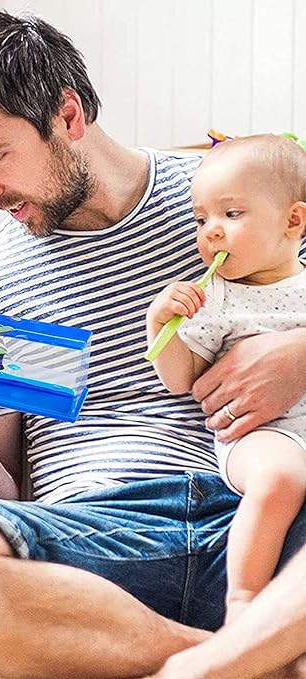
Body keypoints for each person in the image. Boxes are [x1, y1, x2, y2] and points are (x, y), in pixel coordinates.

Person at [0, 8, 306, 679]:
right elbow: (1, 493)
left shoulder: (226, 199)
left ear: (67, 116)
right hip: (91, 548)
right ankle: (233, 660)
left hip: (263, 519)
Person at [146, 134, 306, 624]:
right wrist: (160, 324)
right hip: (263, 435)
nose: (210, 232)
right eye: (201, 219)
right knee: (280, 479)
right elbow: (181, 379)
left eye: (231, 215)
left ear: (293, 221)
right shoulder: (214, 297)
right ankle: (242, 604)